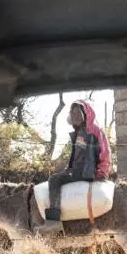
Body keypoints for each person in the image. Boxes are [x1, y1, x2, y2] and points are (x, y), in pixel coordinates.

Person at [38, 99, 111, 234]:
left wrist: (102, 173)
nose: (75, 115)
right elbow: (76, 155)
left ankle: (53, 222)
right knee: (56, 177)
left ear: (86, 113)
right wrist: (68, 168)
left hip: (89, 173)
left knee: (54, 180)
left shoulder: (96, 131)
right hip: (79, 172)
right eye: (73, 113)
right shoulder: (79, 133)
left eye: (78, 113)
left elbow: (105, 152)